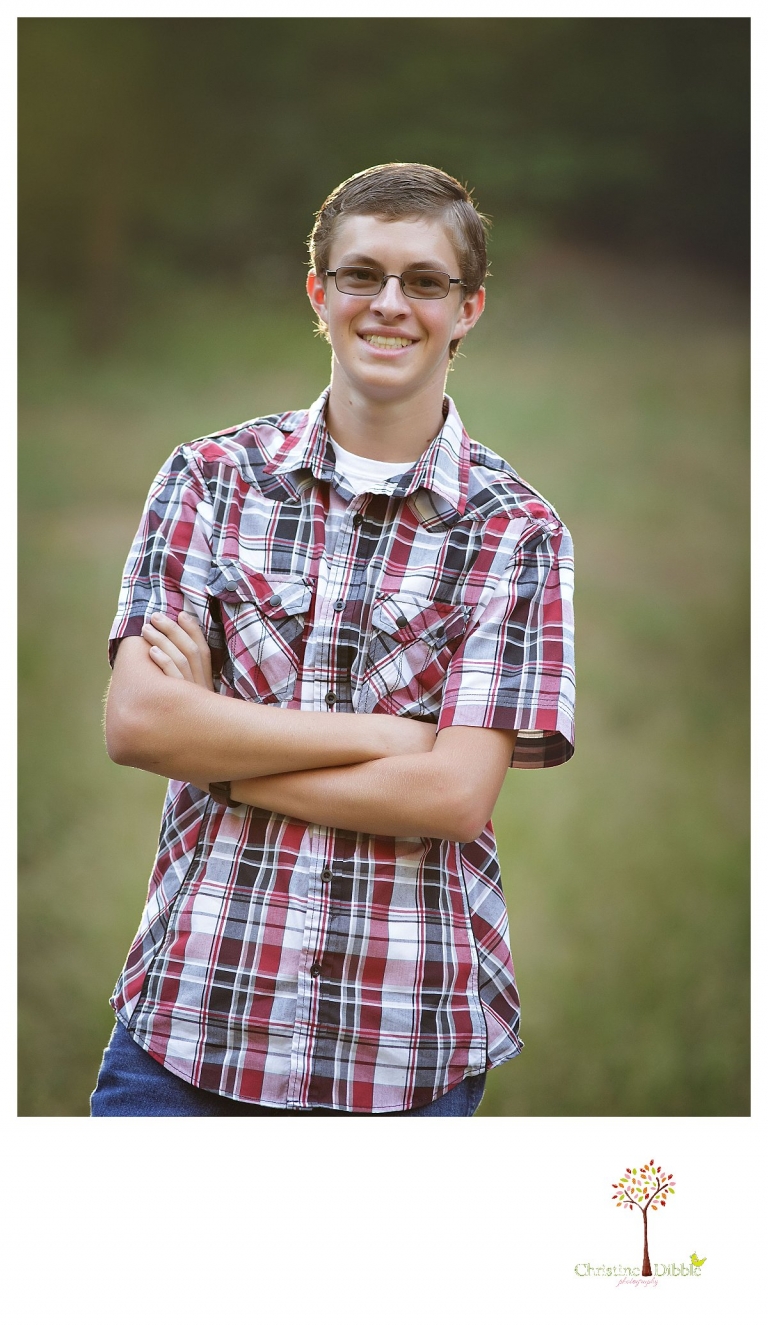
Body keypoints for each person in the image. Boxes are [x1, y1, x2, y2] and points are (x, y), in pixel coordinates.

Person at [90, 162, 575, 1117]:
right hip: (191, 1024)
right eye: (362, 275)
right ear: (321, 292)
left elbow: (449, 797)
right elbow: (140, 725)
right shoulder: (209, 480)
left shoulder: (518, 531)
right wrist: (387, 738)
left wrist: (221, 755)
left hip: (401, 1044)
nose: (390, 304)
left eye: (425, 281)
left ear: (467, 307)